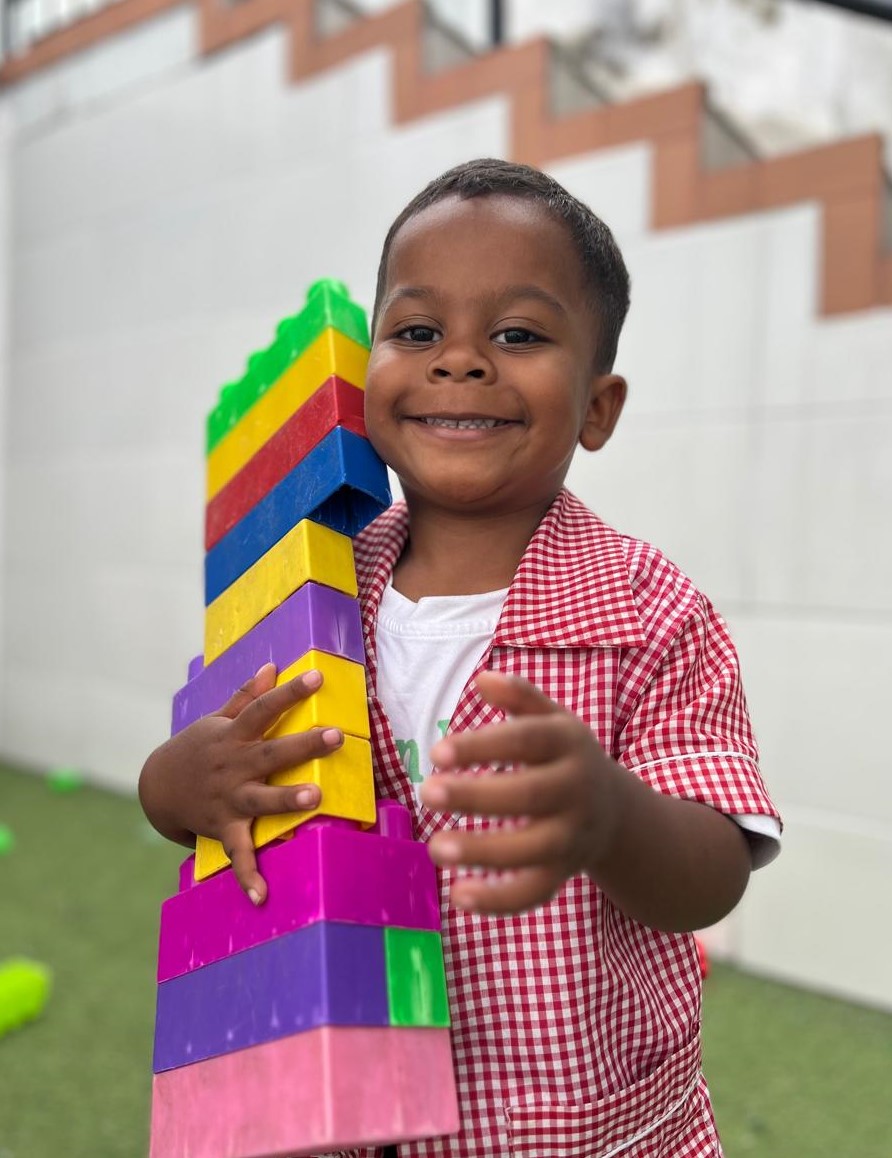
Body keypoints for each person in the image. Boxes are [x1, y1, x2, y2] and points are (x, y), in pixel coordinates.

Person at [140, 158, 781, 1157]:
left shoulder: (652, 614)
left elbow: (712, 871)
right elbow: (209, 786)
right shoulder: (306, 582)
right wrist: (174, 783)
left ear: (597, 407)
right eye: (417, 331)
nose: (461, 360)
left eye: (518, 334)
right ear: (363, 378)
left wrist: (610, 816)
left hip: (574, 1133)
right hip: (337, 1113)